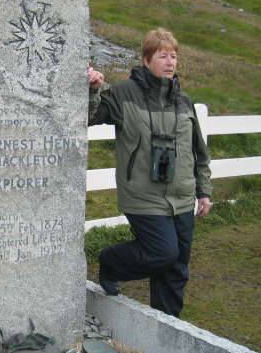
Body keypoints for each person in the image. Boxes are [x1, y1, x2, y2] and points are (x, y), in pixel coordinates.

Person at [88, 28, 212, 318]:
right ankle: (111, 262)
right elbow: (91, 116)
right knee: (162, 254)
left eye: (173, 56)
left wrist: (203, 190)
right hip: (143, 196)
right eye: (162, 55)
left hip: (181, 197)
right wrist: (94, 89)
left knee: (177, 267)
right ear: (146, 60)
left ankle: (168, 325)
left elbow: (198, 150)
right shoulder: (123, 94)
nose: (170, 62)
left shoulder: (183, 100)